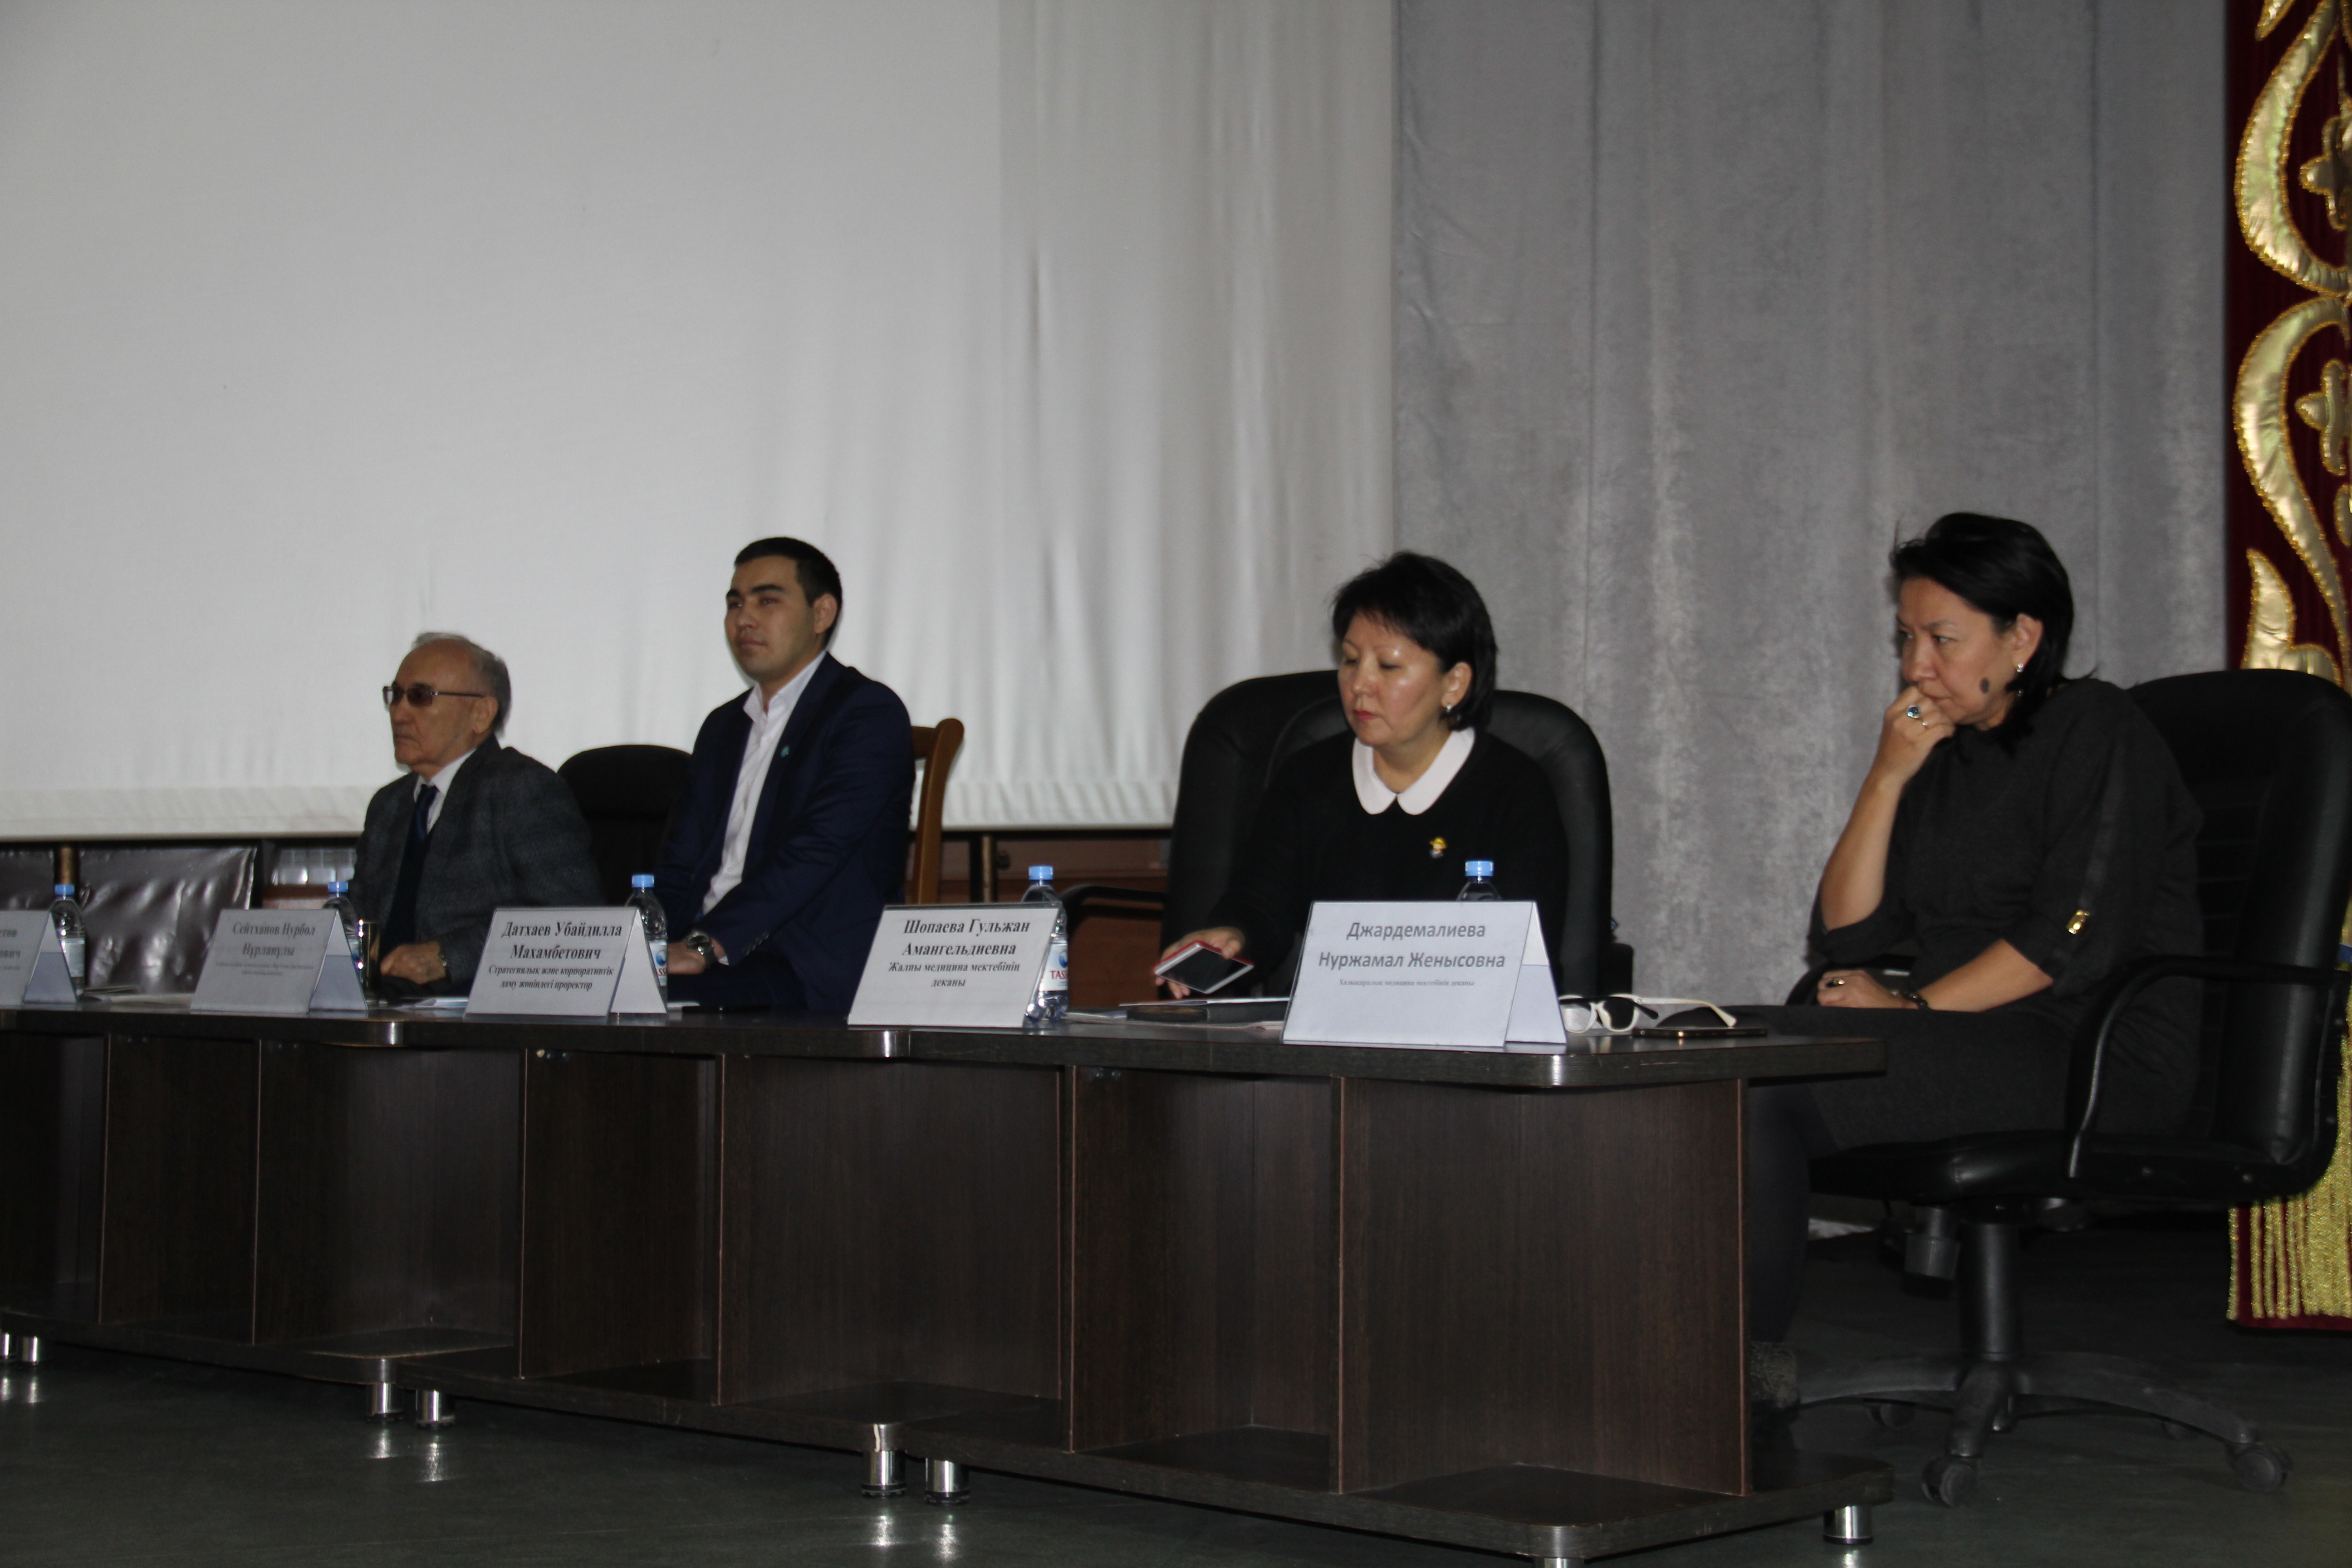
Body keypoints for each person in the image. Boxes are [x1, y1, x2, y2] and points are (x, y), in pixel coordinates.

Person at [1745, 513, 2204, 1343]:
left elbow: (2066, 941)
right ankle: (1686, 1363)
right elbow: (1846, 937)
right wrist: (1887, 778)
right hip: (1971, 1036)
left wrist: (1911, 1012)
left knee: (1758, 1083)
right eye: (1906, 638)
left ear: (2021, 636)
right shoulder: (1947, 754)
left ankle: (1739, 1372)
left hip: (2089, 1049)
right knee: (1722, 1048)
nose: (1915, 666)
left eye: (1942, 639)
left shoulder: (2097, 727)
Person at [1161, 551, 1568, 994]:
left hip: (1464, 1030)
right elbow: (1262, 905)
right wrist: (1230, 936)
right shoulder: (1309, 779)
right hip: (1329, 1030)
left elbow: (1524, 961)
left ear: (1454, 683)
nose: (1358, 685)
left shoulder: (1514, 792)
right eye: (1351, 660)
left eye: (1388, 666)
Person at [652, 538, 913, 1013]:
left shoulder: (866, 714)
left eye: (767, 601)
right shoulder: (723, 727)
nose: (744, 619)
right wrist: (644, 944)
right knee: (596, 990)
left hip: (801, 963)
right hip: (707, 951)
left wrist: (704, 945)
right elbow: (679, 863)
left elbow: (815, 852)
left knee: (645, 1003)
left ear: (822, 614)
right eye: (735, 604)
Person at [352, 632, 600, 995]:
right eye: (396, 695)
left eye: (420, 696)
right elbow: (357, 914)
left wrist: (449, 956)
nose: (399, 713)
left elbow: (574, 921)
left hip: (475, 1012)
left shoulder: (521, 789)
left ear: (481, 714)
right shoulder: (388, 805)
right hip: (383, 1008)